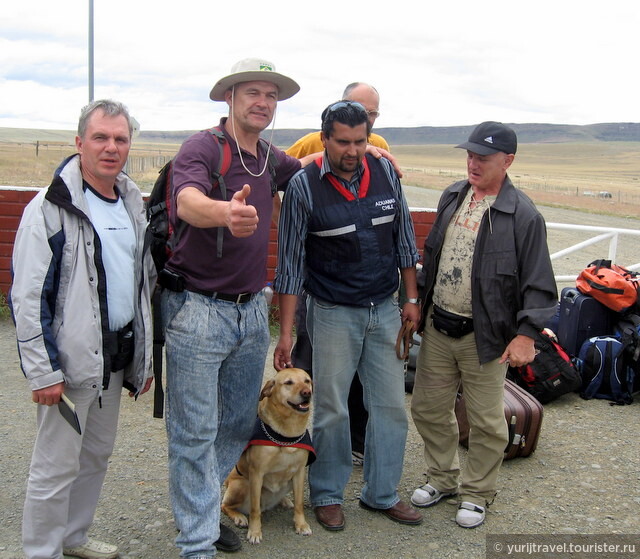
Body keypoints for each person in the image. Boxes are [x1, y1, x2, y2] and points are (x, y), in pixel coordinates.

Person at [159, 58, 320, 559]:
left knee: (234, 425)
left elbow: (317, 171)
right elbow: (186, 201)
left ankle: (204, 512)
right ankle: (197, 545)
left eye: (271, 96)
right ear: (229, 98)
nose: (263, 103)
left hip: (252, 312)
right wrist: (224, 212)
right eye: (252, 92)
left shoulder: (271, 158)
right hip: (196, 311)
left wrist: (379, 156)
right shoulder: (203, 148)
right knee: (194, 431)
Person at [10, 99, 156, 559]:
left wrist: (143, 358)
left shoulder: (132, 201)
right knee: (55, 466)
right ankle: (42, 551)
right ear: (79, 143)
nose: (111, 148)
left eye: (120, 139)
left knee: (95, 456)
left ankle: (73, 538)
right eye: (101, 137)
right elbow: (28, 297)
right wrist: (43, 372)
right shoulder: (50, 208)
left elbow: (139, 285)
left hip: (112, 361)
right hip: (70, 367)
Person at [274, 100, 423, 531]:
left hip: (385, 310)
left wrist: (410, 299)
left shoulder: (386, 172)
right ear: (324, 140)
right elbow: (289, 264)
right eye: (343, 142)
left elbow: (405, 240)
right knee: (332, 409)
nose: (353, 151)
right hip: (332, 311)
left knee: (391, 406)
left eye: (360, 141)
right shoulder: (303, 186)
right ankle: (326, 493)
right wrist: (285, 334)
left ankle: (381, 493)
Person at [409, 121, 558, 528]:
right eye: (470, 155)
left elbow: (540, 284)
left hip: (486, 337)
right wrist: (416, 303)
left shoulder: (523, 216)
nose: (473, 163)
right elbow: (433, 255)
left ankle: (477, 493)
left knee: (488, 422)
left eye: (484, 157)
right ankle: (442, 478)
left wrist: (527, 335)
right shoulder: (454, 195)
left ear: (507, 161)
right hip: (440, 327)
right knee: (427, 408)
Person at [285, 82, 388, 467]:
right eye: (362, 109)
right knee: (312, 368)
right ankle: (302, 441)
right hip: (320, 287)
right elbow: (281, 174)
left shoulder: (379, 146)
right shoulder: (312, 142)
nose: (368, 120)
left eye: (374, 114)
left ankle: (356, 443)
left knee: (362, 377)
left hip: (367, 291)